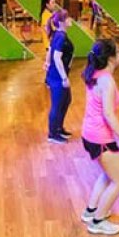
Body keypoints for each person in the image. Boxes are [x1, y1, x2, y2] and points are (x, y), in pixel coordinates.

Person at [80, 39, 119, 235]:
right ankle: (97, 222)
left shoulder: (94, 74)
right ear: (110, 58)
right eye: (118, 51)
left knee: (109, 175)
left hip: (89, 134)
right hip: (100, 137)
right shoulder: (107, 80)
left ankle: (91, 211)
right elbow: (108, 114)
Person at [45, 10, 74, 144]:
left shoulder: (58, 34)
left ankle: (59, 128)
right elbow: (57, 57)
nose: (71, 20)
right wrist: (64, 78)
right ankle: (53, 134)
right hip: (57, 77)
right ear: (62, 22)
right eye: (68, 18)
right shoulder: (61, 36)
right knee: (57, 104)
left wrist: (47, 62)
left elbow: (50, 50)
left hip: (57, 74)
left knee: (66, 100)